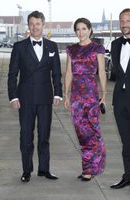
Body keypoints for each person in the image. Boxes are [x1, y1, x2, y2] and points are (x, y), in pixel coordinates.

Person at [8, 11, 62, 183]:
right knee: (26, 136)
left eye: (37, 24)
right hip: (25, 99)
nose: (34, 27)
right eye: (31, 24)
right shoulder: (19, 47)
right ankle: (26, 170)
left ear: (43, 25)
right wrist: (13, 97)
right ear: (28, 26)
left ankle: (44, 169)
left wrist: (58, 93)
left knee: (44, 135)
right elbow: (12, 74)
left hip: (46, 98)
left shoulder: (52, 46)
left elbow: (56, 73)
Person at [64, 18, 106, 181]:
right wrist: (66, 93)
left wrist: (104, 92)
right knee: (81, 132)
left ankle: (91, 166)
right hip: (76, 95)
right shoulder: (71, 50)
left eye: (83, 29)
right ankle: (89, 167)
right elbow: (68, 72)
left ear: (90, 30)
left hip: (91, 94)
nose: (80, 32)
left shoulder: (97, 48)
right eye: (77, 29)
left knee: (93, 131)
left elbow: (101, 72)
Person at [110, 8, 130, 189]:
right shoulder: (115, 44)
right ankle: (128, 176)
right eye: (122, 21)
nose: (124, 24)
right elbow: (116, 72)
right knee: (126, 141)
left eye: (128, 20)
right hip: (120, 100)